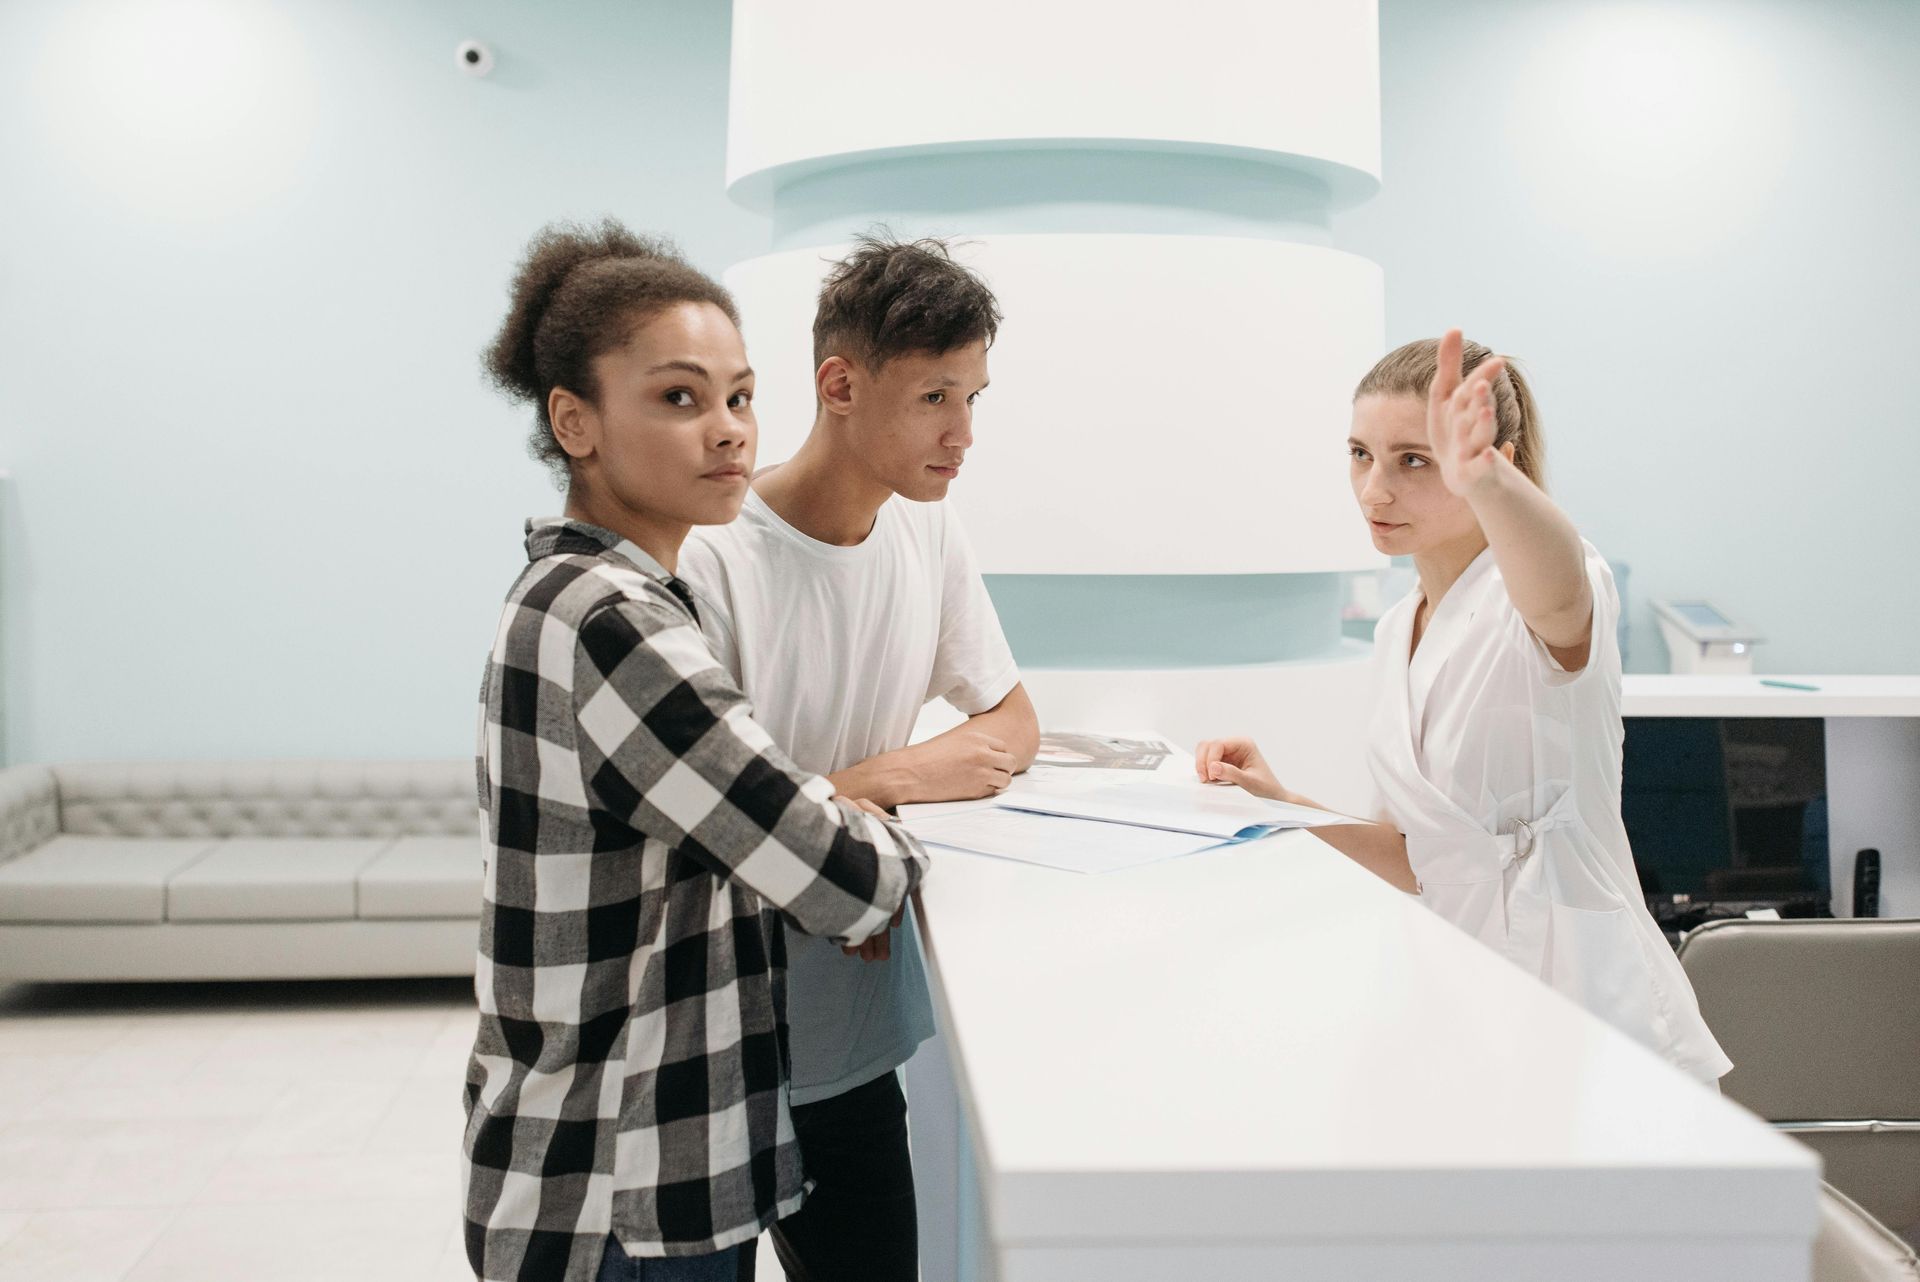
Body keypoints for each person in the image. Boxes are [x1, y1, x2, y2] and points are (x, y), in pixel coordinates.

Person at [463, 220, 931, 1282]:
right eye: (678, 398)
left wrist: (829, 806)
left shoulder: (587, 596)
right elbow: (845, 872)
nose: (727, 430)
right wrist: (878, 805)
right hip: (614, 1192)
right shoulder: (611, 623)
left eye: (738, 395)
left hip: (633, 1166)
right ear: (574, 422)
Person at [1196, 330, 1729, 1084]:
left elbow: (1560, 584)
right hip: (1455, 990)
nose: (1374, 490)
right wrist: (1283, 804)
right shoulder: (1393, 632)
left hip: (1584, 1006)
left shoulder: (1550, 593)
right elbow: (1426, 858)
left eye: (1414, 460)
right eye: (1360, 454)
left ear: (1498, 463)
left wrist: (1486, 483)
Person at [678, 234, 1038, 1281]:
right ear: (839, 384)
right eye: (936, 396)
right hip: (715, 1041)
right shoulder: (713, 557)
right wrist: (866, 789)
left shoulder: (927, 531)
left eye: (974, 397)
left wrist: (858, 788)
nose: (963, 433)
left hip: (848, 1038)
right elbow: (712, 820)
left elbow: (1011, 725)